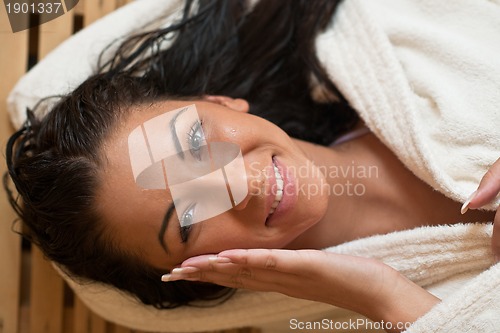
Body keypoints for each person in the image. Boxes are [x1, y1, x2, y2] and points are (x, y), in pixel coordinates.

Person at [4, 0, 499, 331]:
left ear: (220, 100)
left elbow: (31, 91)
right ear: (192, 273)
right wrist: (390, 298)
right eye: (189, 218)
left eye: (196, 140)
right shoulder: (344, 321)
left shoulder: (412, 38)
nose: (238, 183)